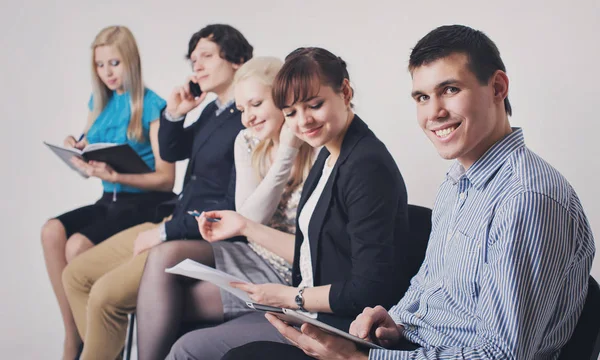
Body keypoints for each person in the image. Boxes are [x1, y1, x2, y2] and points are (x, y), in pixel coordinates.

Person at [224, 25, 596, 360]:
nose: (433, 112)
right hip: (411, 344)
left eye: (449, 90)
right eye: (421, 97)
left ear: (497, 88)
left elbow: (499, 355)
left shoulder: (526, 199)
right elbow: (428, 284)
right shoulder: (457, 181)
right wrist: (394, 320)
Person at [166, 47, 428, 360]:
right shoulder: (329, 154)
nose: (302, 121)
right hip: (312, 315)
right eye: (290, 113)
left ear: (345, 92)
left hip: (341, 329)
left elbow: (368, 289)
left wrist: (291, 297)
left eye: (314, 105)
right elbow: (310, 251)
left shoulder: (365, 164)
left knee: (195, 351)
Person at [61, 24, 252, 360]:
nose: (198, 67)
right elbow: (173, 149)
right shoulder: (213, 110)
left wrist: (165, 232)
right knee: (75, 275)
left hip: (199, 234)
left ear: (237, 60)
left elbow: (233, 205)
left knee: (105, 295)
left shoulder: (249, 117)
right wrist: (176, 114)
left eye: (206, 57)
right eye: (193, 61)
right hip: (176, 219)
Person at [134, 56, 315, 360]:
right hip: (253, 253)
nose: (248, 118)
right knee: (164, 256)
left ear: (283, 99)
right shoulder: (246, 140)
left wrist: (288, 150)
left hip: (292, 272)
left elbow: (258, 225)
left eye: (256, 104)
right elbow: (248, 218)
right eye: (242, 110)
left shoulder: (312, 147)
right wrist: (282, 154)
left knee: (173, 310)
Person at [40, 25, 175, 360]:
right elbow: (89, 145)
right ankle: (74, 336)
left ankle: (100, 346)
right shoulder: (98, 102)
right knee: (51, 231)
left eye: (114, 63)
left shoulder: (153, 105)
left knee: (77, 246)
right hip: (108, 201)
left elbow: (166, 179)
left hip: (143, 203)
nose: (107, 73)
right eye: (100, 65)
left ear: (131, 61)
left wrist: (118, 174)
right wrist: (76, 148)